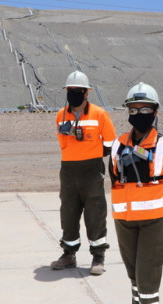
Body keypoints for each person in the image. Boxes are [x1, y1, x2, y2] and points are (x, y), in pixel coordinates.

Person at [110, 82, 163, 304]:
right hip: (124, 222)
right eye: (134, 109)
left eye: (145, 110)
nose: (139, 114)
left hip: (155, 222)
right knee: (134, 276)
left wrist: (160, 208)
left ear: (155, 112)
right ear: (128, 112)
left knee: (148, 277)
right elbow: (115, 181)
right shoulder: (118, 145)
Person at [50, 70, 117, 275]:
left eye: (78, 91)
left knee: (95, 213)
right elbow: (63, 143)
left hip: (91, 169)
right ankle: (69, 254)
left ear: (87, 93)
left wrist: (95, 155)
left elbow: (110, 143)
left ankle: (98, 256)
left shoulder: (99, 114)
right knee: (68, 213)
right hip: (68, 170)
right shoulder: (60, 116)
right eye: (71, 90)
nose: (74, 94)